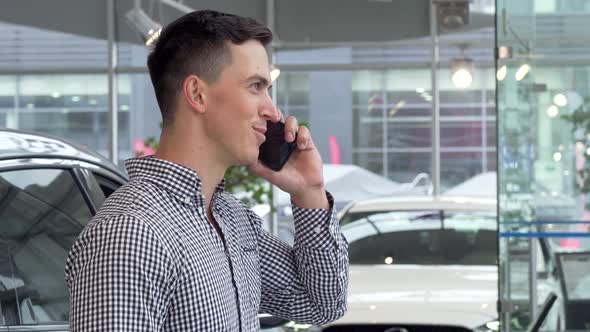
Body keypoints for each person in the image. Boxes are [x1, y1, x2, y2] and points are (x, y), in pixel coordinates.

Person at [65, 9, 349, 331]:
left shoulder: (232, 220)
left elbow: (322, 304)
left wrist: (308, 191)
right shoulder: (131, 233)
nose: (272, 111)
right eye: (255, 86)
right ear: (197, 94)